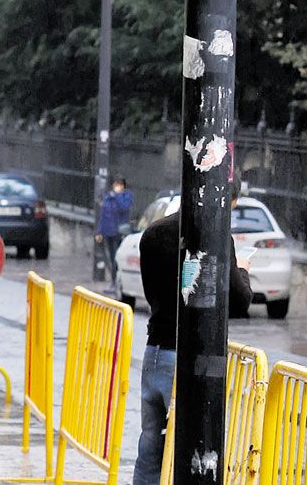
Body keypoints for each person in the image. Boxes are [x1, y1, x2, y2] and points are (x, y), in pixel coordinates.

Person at [132, 182, 253, 485]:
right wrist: (243, 270)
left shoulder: (153, 234)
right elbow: (238, 302)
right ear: (227, 200)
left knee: (151, 440)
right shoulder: (214, 237)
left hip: (154, 351)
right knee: (192, 444)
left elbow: (152, 295)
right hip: (186, 360)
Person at [95, 177, 134, 286]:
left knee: (118, 258)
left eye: (119, 184)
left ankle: (119, 282)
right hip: (108, 232)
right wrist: (99, 231)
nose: (117, 186)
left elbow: (124, 208)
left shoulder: (127, 196)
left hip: (119, 232)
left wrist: (117, 196)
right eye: (116, 184)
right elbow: (103, 215)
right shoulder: (108, 197)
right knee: (111, 258)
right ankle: (114, 282)